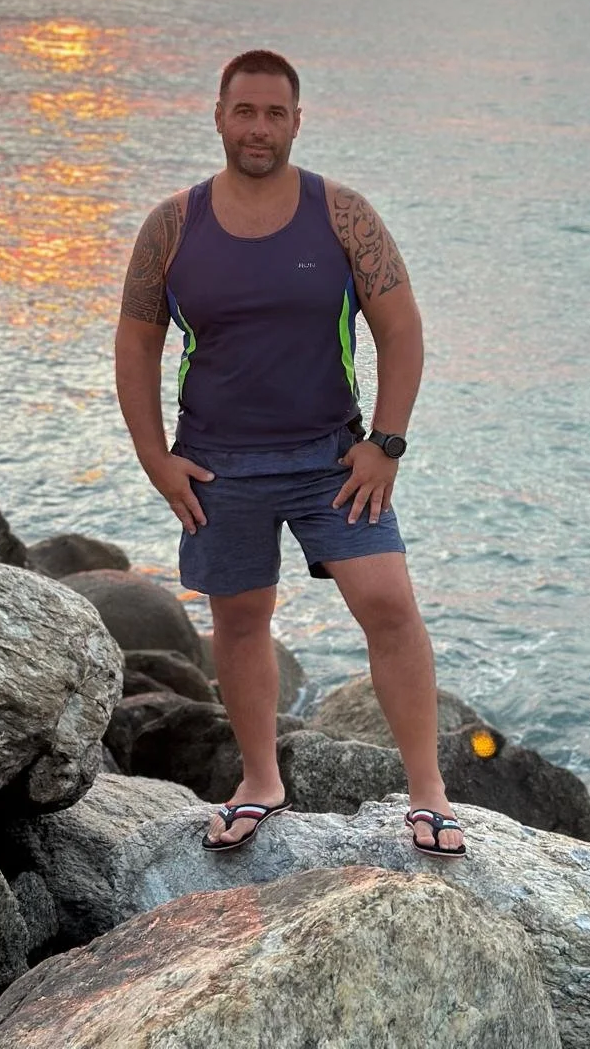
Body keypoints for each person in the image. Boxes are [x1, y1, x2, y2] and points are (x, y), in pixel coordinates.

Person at [114, 48, 465, 857]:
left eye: (275, 113)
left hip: (331, 461)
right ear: (219, 117)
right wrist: (155, 459)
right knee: (240, 621)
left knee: (389, 605)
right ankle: (261, 779)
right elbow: (135, 346)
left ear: (297, 122)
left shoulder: (343, 215)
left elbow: (402, 331)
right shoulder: (173, 225)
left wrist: (387, 444)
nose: (259, 128)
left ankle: (430, 792)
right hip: (216, 463)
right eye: (245, 111)